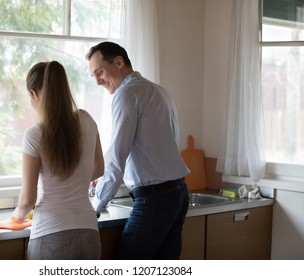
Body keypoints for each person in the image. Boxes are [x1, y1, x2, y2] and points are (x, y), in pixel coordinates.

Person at [86, 41, 190, 260]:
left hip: (155, 198)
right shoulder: (158, 90)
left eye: (100, 72)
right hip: (177, 193)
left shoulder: (126, 94)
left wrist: (95, 206)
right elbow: (153, 149)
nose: (97, 81)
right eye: (93, 75)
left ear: (119, 62)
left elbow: (117, 157)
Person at [12, 61, 104, 260]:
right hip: (89, 234)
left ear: (34, 94)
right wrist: (75, 181)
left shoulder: (35, 134)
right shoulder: (87, 119)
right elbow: (98, 169)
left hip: (50, 235)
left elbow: (28, 200)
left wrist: (17, 215)